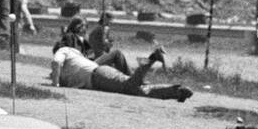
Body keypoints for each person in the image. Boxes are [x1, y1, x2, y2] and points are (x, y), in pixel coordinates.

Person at [51, 43, 191, 101]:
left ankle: (153, 56)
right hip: (99, 77)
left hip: (98, 75)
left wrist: (55, 84)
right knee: (137, 90)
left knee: (130, 85)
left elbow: (56, 62)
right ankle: (177, 92)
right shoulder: (73, 60)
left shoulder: (63, 50)